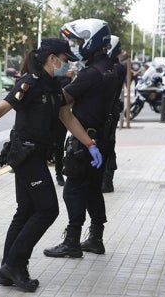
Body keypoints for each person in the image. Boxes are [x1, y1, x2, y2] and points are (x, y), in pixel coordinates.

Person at [0, 38, 101, 293]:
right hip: (26, 153)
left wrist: (89, 143)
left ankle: (6, 270)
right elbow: (3, 106)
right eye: (64, 60)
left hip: (38, 153)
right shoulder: (30, 82)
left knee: (25, 211)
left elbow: (67, 116)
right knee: (48, 209)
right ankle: (16, 264)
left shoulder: (54, 84)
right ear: (52, 58)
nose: (67, 66)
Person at [44, 18, 125, 259]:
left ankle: (72, 241)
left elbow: (63, 100)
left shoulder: (91, 74)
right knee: (92, 190)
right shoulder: (114, 69)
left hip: (85, 142)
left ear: (92, 40)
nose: (78, 47)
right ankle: (96, 238)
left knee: (73, 190)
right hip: (104, 140)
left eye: (80, 41)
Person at [101, 35, 127, 193]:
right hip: (110, 109)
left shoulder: (116, 68)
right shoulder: (114, 67)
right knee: (107, 143)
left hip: (110, 110)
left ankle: (107, 179)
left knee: (108, 143)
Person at [51, 65, 75, 186]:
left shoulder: (68, 79)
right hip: (47, 116)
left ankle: (59, 173)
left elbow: (70, 97)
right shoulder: (49, 76)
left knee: (59, 146)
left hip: (61, 116)